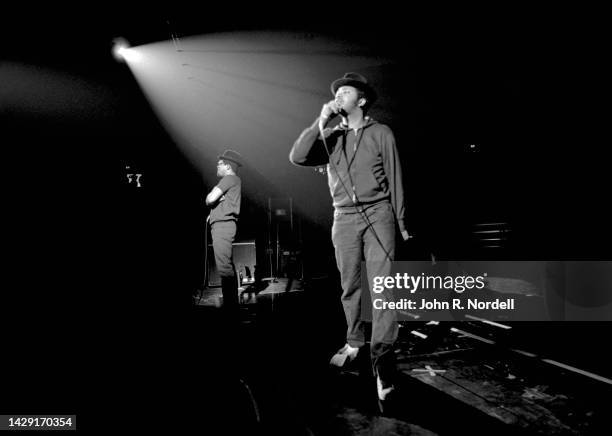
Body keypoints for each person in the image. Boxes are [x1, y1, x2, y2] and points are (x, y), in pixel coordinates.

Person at [289, 72, 409, 403]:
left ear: (362, 99)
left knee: (382, 287)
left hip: (378, 214)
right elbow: (298, 156)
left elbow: (396, 176)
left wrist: (401, 221)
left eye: (346, 91)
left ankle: (383, 363)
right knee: (350, 286)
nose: (339, 96)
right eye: (336, 92)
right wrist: (320, 120)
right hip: (343, 217)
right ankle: (355, 341)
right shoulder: (331, 136)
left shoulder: (381, 132)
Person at [205, 150, 243, 320]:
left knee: (224, 268)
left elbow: (210, 199)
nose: (217, 166)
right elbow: (216, 201)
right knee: (226, 265)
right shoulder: (234, 180)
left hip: (223, 227)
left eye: (219, 164)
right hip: (224, 225)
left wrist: (213, 197)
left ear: (228, 166)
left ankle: (230, 310)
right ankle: (232, 306)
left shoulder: (228, 179)